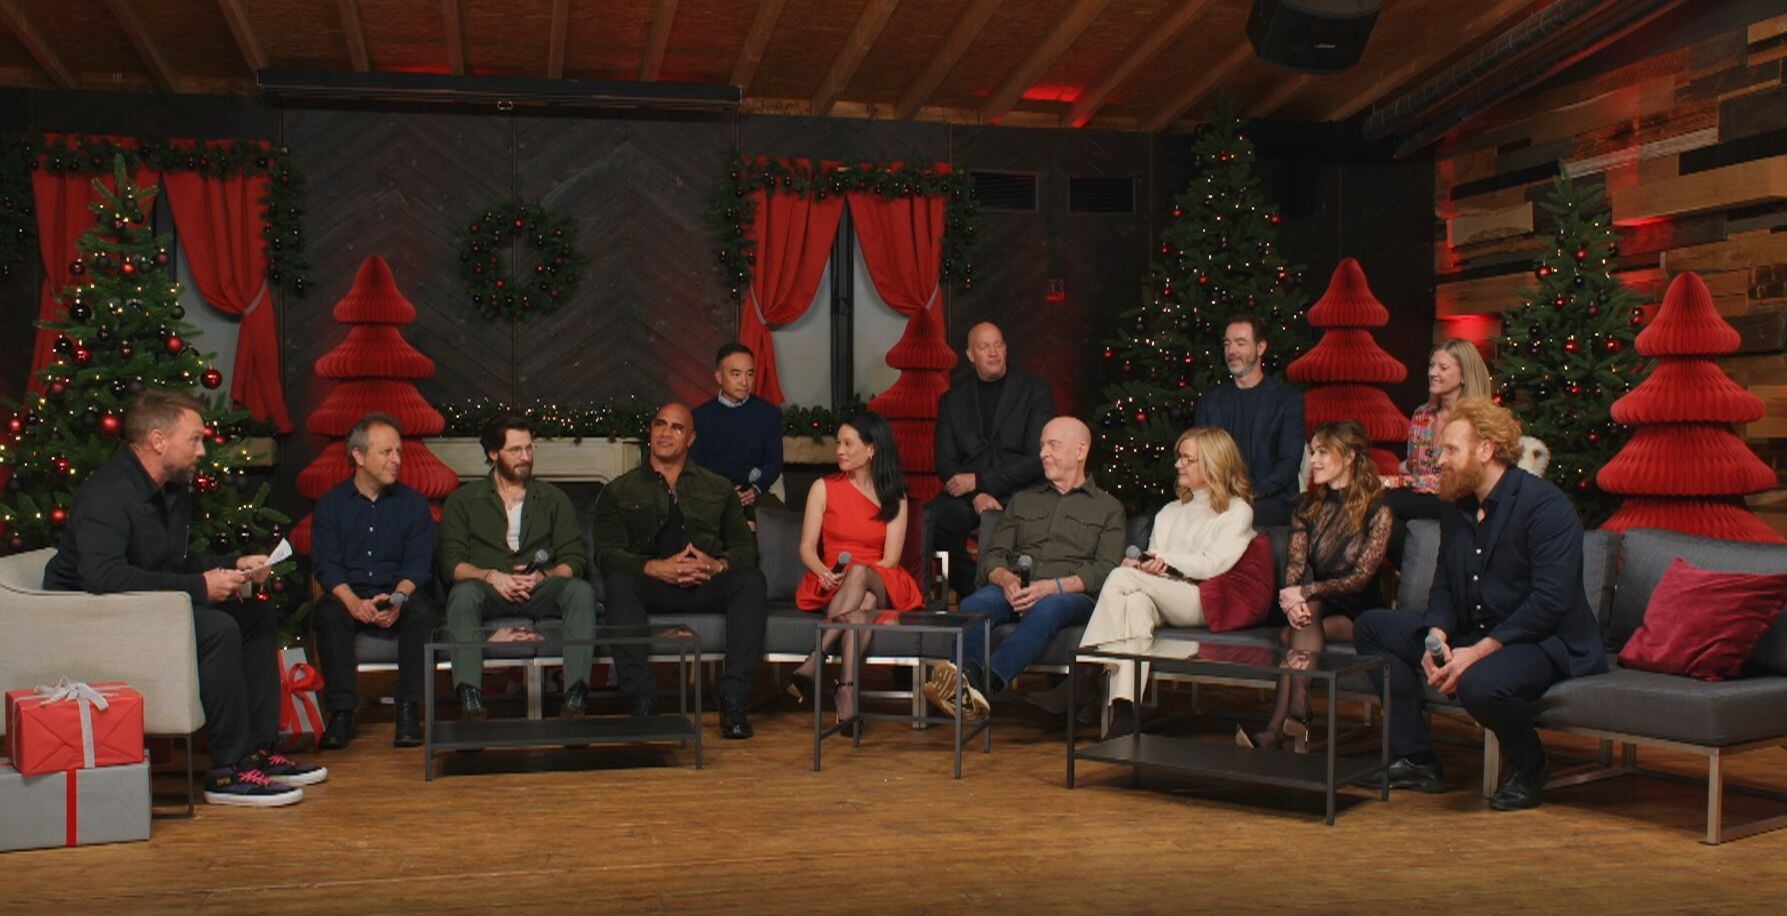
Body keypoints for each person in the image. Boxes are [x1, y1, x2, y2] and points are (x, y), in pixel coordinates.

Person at [43, 389, 324, 807]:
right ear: (158, 440)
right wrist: (199, 588)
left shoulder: (171, 491)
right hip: (92, 621)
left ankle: (257, 751)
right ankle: (226, 774)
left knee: (255, 613)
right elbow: (102, 576)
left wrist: (234, 564)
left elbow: (169, 562)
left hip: (142, 609)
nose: (202, 450)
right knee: (216, 628)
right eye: (194, 439)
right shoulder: (107, 494)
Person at [1353, 398, 1607, 810]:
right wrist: (1436, 633)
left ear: (1486, 450)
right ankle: (1416, 757)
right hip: (1476, 631)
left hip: (1541, 640)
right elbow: (1445, 588)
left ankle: (1530, 765)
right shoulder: (1457, 509)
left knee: (1480, 682)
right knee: (1372, 627)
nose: (1440, 460)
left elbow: (1550, 601)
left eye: (1451, 450)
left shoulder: (1544, 506)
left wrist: (1479, 653)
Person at [923, 417, 1125, 720]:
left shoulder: (1108, 509)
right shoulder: (1023, 501)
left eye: (1053, 445)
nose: (1043, 453)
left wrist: (1052, 587)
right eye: (1042, 446)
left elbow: (1106, 570)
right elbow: (993, 557)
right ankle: (964, 679)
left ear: (1081, 450)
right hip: (1015, 589)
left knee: (1049, 608)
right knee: (975, 603)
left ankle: (985, 685)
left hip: (1070, 597)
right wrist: (1005, 580)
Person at [594, 402, 766, 739]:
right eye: (660, 424)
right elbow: (607, 554)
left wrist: (717, 565)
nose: (665, 433)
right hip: (652, 585)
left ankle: (733, 702)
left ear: (691, 438)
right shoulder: (618, 490)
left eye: (676, 428)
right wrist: (654, 567)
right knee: (618, 582)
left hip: (704, 583)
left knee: (750, 580)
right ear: (650, 431)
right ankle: (642, 701)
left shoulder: (718, 488)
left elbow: (746, 550)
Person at [1074, 427, 1255, 736]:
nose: (1177, 464)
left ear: (1213, 463)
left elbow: (1213, 564)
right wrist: (1145, 565)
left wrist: (1166, 563)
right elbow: (1156, 560)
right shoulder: (1170, 511)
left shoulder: (1237, 511)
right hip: (1162, 595)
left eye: (1187, 458)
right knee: (1133, 603)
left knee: (1121, 577)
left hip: (1201, 599)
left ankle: (1082, 678)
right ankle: (1124, 711)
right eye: (1179, 457)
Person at [1240, 420, 1391, 751]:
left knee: (1298, 624)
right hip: (1320, 607)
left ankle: (1279, 725)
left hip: (1362, 613)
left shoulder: (1377, 508)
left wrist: (1303, 594)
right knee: (1293, 627)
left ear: (1350, 456)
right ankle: (1294, 710)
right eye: (1312, 452)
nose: (1315, 461)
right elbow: (1296, 564)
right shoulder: (1306, 506)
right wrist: (1293, 603)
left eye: (1324, 452)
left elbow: (1361, 577)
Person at [438, 415, 597, 720]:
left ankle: (576, 697)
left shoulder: (553, 499)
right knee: (462, 594)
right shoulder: (463, 501)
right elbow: (451, 564)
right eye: (515, 450)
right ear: (493, 454)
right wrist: (491, 576)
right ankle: (470, 700)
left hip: (539, 589)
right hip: (488, 589)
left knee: (580, 591)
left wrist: (544, 576)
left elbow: (574, 559)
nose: (526, 458)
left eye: (529, 449)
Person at [785, 411, 923, 728]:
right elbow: (807, 547)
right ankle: (846, 694)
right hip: (833, 580)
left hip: (881, 577)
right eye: (838, 444)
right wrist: (823, 571)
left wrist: (859, 573)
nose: (840, 451)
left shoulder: (895, 496)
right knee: (864, 606)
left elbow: (890, 559)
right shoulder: (823, 487)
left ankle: (815, 659)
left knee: (863, 577)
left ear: (872, 449)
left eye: (848, 444)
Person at [309, 413, 438, 750]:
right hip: (349, 593)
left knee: (423, 613)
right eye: (386, 452)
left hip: (400, 591)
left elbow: (419, 563)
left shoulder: (412, 504)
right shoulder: (331, 505)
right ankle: (341, 713)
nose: (396, 460)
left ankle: (408, 710)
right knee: (327, 614)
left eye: (398, 452)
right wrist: (354, 603)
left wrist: (397, 599)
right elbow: (326, 564)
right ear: (359, 456)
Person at [927, 322, 1055, 598]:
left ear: (1006, 349)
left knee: (996, 526)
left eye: (998, 344)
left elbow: (1038, 458)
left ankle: (987, 598)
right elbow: (945, 461)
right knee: (934, 520)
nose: (993, 352)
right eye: (984, 347)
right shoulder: (953, 400)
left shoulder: (1034, 390)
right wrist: (976, 492)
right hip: (970, 494)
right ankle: (945, 595)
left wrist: (982, 481)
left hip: (1020, 490)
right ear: (971, 355)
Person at [1382, 338, 1493, 566]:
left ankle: (1423, 568)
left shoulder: (1478, 419)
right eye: (1432, 366)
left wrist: (1394, 483)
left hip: (1460, 496)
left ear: (1464, 375)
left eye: (1443, 368)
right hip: (1423, 494)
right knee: (1374, 507)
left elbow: (1462, 477)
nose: (1433, 372)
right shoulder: (1422, 415)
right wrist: (1402, 479)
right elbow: (1413, 467)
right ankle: (1421, 567)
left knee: (1383, 501)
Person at [1192, 314, 1305, 526]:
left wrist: (1249, 495)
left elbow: (1289, 462)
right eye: (1227, 344)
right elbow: (1199, 456)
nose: (1231, 351)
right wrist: (1222, 496)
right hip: (1219, 501)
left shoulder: (1287, 400)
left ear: (1261, 348)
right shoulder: (1210, 400)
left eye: (1240, 343)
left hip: (1270, 502)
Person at [690, 343, 785, 515]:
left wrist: (755, 489)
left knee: (779, 523)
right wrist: (723, 493)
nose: (744, 382)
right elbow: (696, 466)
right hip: (711, 497)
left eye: (750, 374)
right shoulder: (699, 417)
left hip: (754, 495)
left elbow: (774, 461)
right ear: (719, 377)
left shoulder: (768, 414)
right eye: (736, 374)